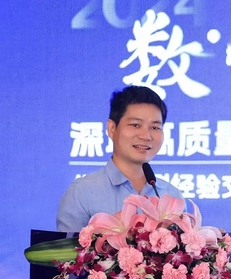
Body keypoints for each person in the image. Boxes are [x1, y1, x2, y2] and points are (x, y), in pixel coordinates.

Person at [56, 86, 183, 232]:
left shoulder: (171, 196)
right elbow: (67, 247)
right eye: (135, 125)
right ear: (112, 128)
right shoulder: (82, 193)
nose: (146, 136)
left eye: (155, 127)